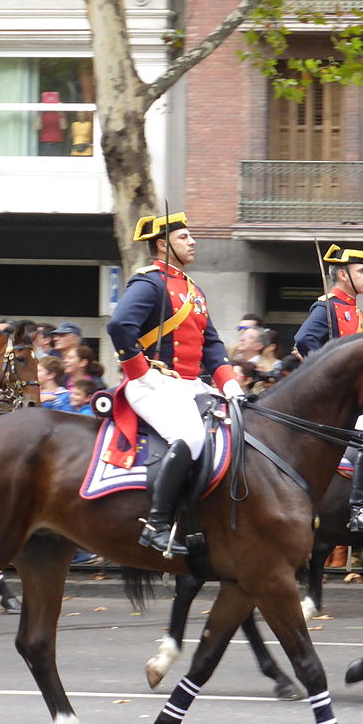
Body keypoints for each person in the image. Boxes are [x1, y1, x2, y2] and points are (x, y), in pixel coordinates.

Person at [107, 211, 243, 555]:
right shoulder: (149, 283)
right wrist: (140, 371)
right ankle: (157, 524)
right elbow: (120, 326)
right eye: (184, 237)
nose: (193, 241)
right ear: (163, 245)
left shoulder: (193, 289)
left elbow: (211, 343)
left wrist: (229, 385)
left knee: (238, 428)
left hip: (191, 385)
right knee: (191, 437)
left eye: (190, 236)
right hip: (153, 384)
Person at [293, 244, 363, 533]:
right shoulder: (328, 307)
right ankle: (359, 509)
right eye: (361, 271)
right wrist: (328, 378)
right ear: (343, 275)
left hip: (355, 398)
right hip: (336, 400)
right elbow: (304, 340)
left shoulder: (354, 311)